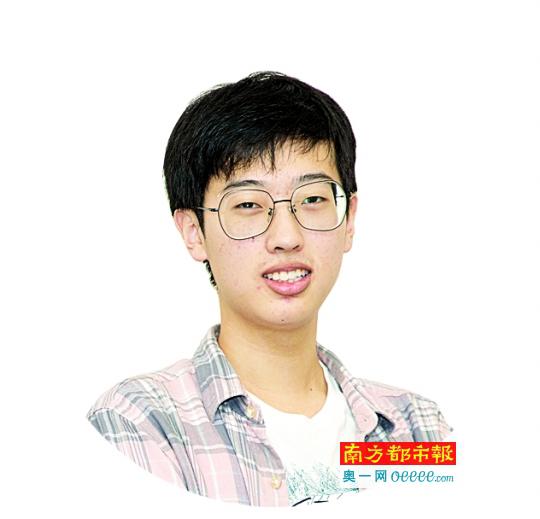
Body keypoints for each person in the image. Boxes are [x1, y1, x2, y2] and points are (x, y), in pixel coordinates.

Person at [86, 71, 453, 507]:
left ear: (349, 218)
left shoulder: (417, 430)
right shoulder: (141, 423)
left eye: (312, 199)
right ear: (193, 232)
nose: (286, 237)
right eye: (247, 204)